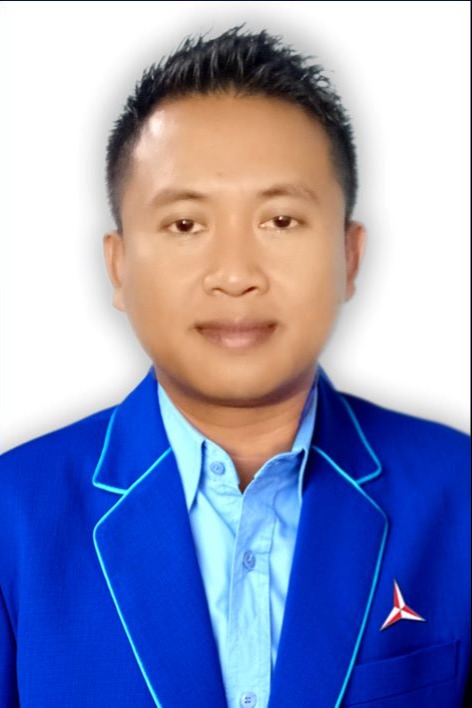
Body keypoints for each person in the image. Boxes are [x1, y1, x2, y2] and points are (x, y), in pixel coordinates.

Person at [0, 25, 469, 708]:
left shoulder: (459, 495)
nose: (235, 274)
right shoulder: (13, 515)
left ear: (349, 257)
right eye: (186, 225)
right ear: (119, 267)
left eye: (280, 221)